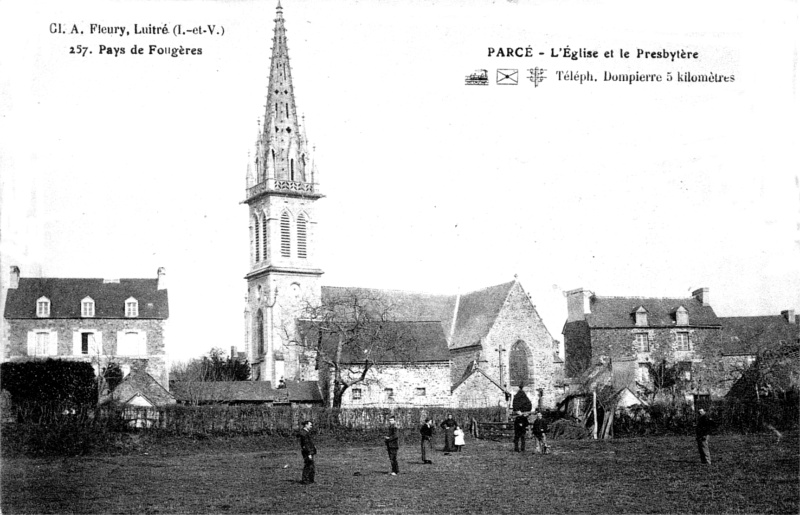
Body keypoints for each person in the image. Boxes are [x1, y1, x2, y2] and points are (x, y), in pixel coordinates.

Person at [297, 420, 316, 484]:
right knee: (308, 465)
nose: (311, 426)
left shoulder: (306, 432)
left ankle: (310, 480)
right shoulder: (304, 433)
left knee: (311, 466)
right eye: (310, 425)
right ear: (306, 425)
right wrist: (309, 453)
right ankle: (305, 480)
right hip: (307, 452)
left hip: (309, 451)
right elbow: (306, 444)